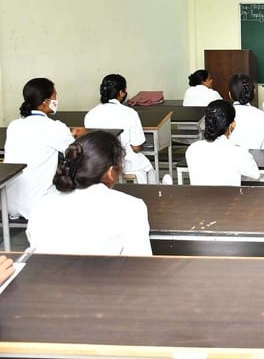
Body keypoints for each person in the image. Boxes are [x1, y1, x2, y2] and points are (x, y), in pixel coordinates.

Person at [26, 131, 152, 256]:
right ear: (110, 171)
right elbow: (141, 263)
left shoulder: (41, 204)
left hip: (47, 275)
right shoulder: (131, 207)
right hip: (104, 276)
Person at [4, 78, 78, 219]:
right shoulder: (55, 127)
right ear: (45, 101)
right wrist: (73, 135)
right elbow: (75, 152)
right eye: (55, 96)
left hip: (9, 204)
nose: (57, 100)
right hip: (37, 204)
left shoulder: (14, 125)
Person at [84, 74, 156, 184]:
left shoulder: (90, 114)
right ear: (121, 93)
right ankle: (153, 192)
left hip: (98, 163)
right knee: (147, 168)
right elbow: (136, 147)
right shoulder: (130, 113)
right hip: (124, 162)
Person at [186, 99, 261, 186]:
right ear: (232, 125)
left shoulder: (192, 149)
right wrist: (242, 149)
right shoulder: (237, 152)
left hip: (198, 199)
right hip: (230, 199)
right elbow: (255, 174)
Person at [228, 74, 264, 151]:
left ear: (230, 94)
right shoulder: (263, 117)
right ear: (254, 92)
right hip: (256, 162)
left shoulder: (222, 115)